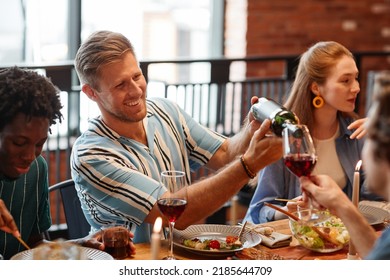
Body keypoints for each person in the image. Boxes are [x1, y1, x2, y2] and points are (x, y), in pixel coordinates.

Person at [71, 30, 282, 243]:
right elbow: (172, 213)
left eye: (137, 76)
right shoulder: (91, 154)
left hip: (183, 255)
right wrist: (248, 165)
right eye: (120, 85)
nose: (136, 91)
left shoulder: (166, 111)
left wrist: (251, 131)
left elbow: (226, 153)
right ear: (91, 93)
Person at [0, 66, 135, 260]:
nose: (30, 155)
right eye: (19, 143)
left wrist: (82, 243)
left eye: (40, 143)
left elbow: (33, 244)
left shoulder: (36, 169)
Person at [244, 41, 381, 224]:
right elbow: (257, 213)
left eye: (356, 78)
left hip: (342, 243)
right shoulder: (284, 136)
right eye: (345, 80)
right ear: (316, 87)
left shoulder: (355, 133)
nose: (356, 87)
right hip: (296, 243)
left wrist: (381, 145)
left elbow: (374, 199)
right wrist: (285, 212)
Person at [300, 72, 390, 259]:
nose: (357, 87)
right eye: (345, 80)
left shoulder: (351, 132)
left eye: (371, 134)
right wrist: (341, 204)